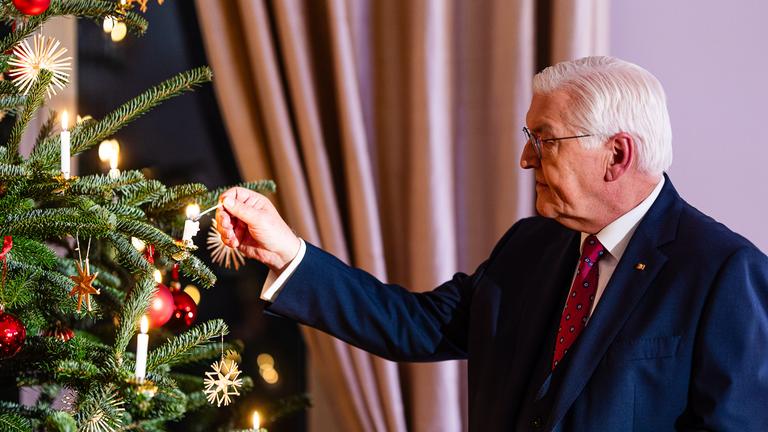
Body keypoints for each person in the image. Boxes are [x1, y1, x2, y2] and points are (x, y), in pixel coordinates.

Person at [216, 56, 768, 431]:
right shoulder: (531, 245)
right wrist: (289, 252)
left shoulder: (724, 272)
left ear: (617, 155)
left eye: (544, 140)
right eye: (529, 138)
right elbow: (417, 325)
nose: (526, 159)